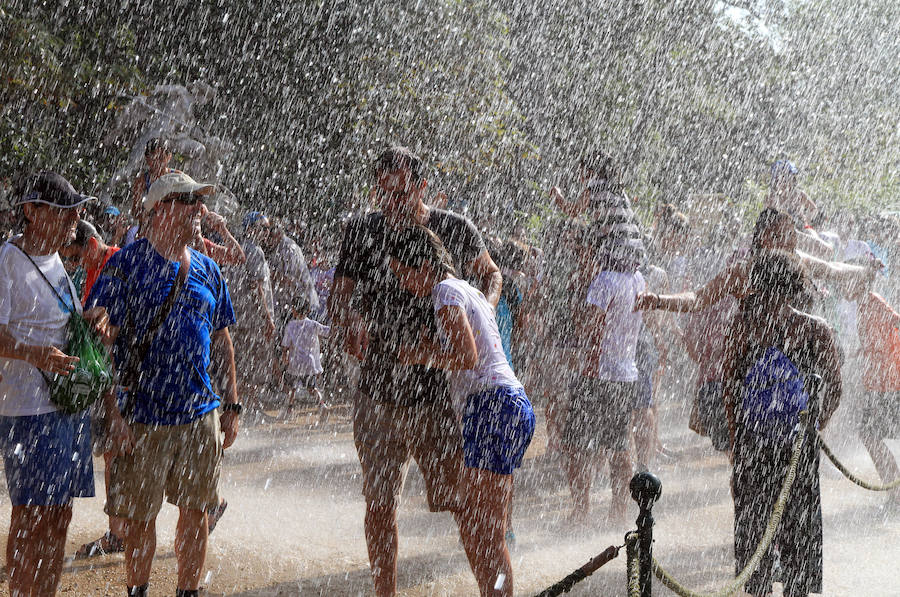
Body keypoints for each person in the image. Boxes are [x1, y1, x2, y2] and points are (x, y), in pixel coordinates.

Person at [328, 146, 501, 597]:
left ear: (422, 187)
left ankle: (492, 590)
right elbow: (339, 293)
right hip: (377, 389)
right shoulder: (363, 230)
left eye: (400, 192)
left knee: (462, 503)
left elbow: (492, 274)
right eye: (383, 194)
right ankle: (384, 592)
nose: (391, 203)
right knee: (380, 504)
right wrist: (348, 320)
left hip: (439, 395)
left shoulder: (453, 227)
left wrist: (483, 315)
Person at [89, 171, 240, 597]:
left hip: (200, 412)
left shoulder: (208, 268)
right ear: (160, 210)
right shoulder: (125, 265)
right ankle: (139, 590)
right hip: (141, 415)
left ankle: (187, 592)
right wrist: (111, 415)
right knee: (140, 519)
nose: (199, 210)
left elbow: (223, 338)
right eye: (189, 201)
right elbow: (99, 346)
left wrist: (232, 405)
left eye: (199, 201)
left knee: (196, 512)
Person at [389, 225, 534, 597]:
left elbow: (467, 357)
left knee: (483, 527)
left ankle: (497, 594)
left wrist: (421, 354)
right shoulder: (469, 290)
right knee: (478, 524)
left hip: (493, 405)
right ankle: (494, 592)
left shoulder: (445, 292)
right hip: (505, 403)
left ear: (422, 265)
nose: (402, 284)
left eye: (402, 273)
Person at [0, 171, 109, 596]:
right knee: (30, 517)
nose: (76, 218)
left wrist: (91, 319)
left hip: (67, 407)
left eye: (76, 210)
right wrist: (34, 354)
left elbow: (60, 321)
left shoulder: (58, 261)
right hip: (27, 411)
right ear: (32, 211)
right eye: (65, 210)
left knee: (60, 515)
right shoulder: (7, 259)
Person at [722, 251, 841, 597]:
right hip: (797, 452)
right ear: (796, 284)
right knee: (798, 544)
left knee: (755, 539)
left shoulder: (743, 326)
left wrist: (736, 446)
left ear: (757, 282)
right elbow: (834, 389)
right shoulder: (815, 329)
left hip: (753, 447)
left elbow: (730, 390)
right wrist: (812, 428)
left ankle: (758, 587)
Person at [563, 200, 647, 525]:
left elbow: (591, 329)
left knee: (577, 445)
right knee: (619, 444)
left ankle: (581, 510)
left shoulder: (603, 282)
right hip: (625, 373)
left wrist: (588, 361)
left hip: (597, 372)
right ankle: (618, 512)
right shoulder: (637, 280)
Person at [849, 259, 900, 504]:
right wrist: (865, 350)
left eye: (846, 279)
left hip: (888, 382)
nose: (841, 285)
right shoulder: (864, 303)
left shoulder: (873, 301)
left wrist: (882, 353)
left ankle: (896, 489)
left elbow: (896, 321)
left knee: (869, 434)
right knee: (869, 434)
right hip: (879, 381)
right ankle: (895, 489)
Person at [221, 212, 275, 417]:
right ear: (251, 229)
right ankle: (252, 409)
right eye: (263, 228)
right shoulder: (255, 251)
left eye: (268, 229)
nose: (267, 233)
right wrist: (267, 319)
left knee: (241, 364)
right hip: (253, 320)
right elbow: (255, 287)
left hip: (239, 318)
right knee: (255, 366)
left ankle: (243, 408)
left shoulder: (238, 249)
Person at [281, 296, 331, 421]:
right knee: (312, 388)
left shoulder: (290, 326)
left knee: (292, 387)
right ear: (308, 310)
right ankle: (322, 405)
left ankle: (290, 410)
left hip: (295, 363)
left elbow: (285, 345)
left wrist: (284, 357)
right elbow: (327, 331)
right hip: (309, 363)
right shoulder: (313, 324)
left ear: (293, 310)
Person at [124, 138, 177, 246]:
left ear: (169, 157)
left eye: (161, 158)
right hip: (148, 227)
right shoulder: (142, 180)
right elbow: (135, 211)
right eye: (153, 158)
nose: (158, 163)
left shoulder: (177, 177)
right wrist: (147, 216)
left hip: (171, 225)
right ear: (147, 159)